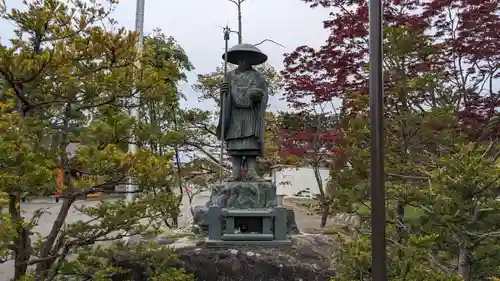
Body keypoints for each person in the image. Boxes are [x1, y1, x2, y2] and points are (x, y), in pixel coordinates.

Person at [216, 44, 269, 182]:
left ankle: (252, 171)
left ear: (251, 60)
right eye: (241, 59)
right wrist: (223, 92)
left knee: (250, 142)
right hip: (234, 114)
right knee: (235, 141)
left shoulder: (257, 76)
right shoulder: (229, 75)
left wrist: (257, 95)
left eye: (246, 59)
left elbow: (263, 94)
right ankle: (235, 172)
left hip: (250, 113)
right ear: (237, 60)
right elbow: (224, 96)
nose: (243, 62)